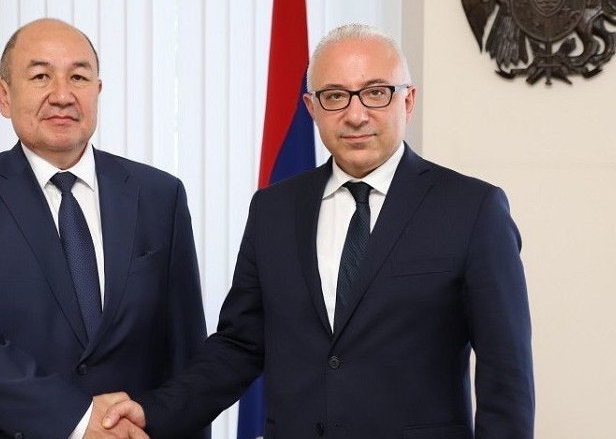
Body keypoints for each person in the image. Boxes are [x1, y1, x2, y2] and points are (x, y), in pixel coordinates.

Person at [100, 23, 535, 439]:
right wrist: (153, 411)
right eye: (335, 96)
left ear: (408, 101)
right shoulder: (273, 210)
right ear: (311, 108)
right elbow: (240, 345)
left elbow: (506, 373)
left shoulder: (472, 209)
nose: (356, 114)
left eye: (376, 92)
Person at [0, 18, 208, 439]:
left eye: (79, 77)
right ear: (4, 95)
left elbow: (186, 352)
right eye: (40, 76)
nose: (63, 95)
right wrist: (79, 419)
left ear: (97, 91)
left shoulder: (160, 196)